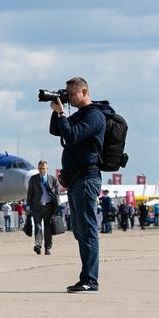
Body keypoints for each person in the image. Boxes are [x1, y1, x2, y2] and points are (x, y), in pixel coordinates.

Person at [49, 77, 108, 293]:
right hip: (75, 180)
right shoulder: (79, 114)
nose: (69, 97)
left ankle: (90, 280)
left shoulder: (94, 115)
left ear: (85, 92)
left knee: (88, 229)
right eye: (67, 94)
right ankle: (86, 278)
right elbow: (57, 131)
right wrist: (58, 110)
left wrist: (63, 114)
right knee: (80, 231)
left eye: (72, 94)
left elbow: (72, 135)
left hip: (87, 178)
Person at [26, 160, 59, 255]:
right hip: (36, 206)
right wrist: (28, 207)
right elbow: (30, 194)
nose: (42, 170)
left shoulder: (53, 179)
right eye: (40, 168)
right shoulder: (33, 179)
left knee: (48, 228)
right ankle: (38, 245)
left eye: (43, 168)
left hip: (49, 206)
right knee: (38, 227)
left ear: (47, 168)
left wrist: (57, 207)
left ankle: (48, 247)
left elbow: (57, 194)